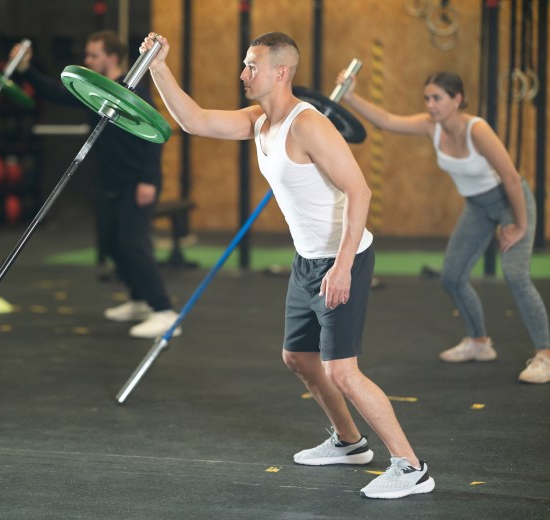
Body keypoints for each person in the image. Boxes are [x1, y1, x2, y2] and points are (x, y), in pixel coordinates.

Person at [140, 31, 434, 499]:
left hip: (344, 259)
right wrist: (158, 65)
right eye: (244, 64)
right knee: (298, 357)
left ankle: (411, 465)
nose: (243, 74)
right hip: (306, 261)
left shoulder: (308, 125)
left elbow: (360, 192)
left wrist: (341, 267)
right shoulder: (259, 121)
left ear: (281, 72)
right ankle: (350, 442)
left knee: (342, 371)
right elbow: (194, 121)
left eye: (251, 66)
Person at [337, 70, 550, 384]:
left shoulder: (477, 130)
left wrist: (519, 225)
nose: (431, 105)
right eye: (427, 98)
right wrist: (351, 95)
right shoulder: (430, 126)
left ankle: (545, 355)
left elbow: (511, 178)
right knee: (452, 277)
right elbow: (385, 120)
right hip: (477, 207)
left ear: (457, 99)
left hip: (510, 202)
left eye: (437, 98)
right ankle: (479, 343)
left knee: (515, 274)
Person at [10, 31, 180, 339]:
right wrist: (26, 71)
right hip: (108, 183)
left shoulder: (134, 91)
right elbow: (57, 91)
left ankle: (165, 312)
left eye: (93, 56)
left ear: (112, 57)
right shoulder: (98, 93)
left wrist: (149, 180)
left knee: (133, 245)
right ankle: (139, 300)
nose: (86, 61)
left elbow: (154, 140)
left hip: (135, 183)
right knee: (112, 244)